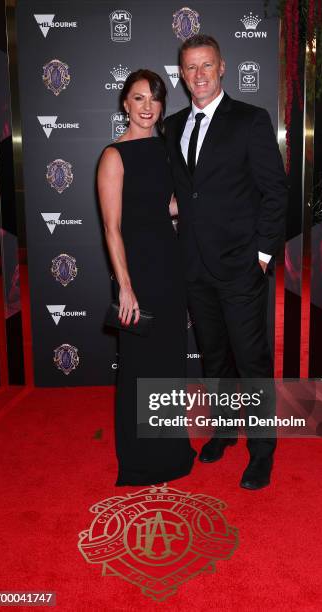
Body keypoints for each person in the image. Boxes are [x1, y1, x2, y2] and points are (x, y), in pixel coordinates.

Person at [164, 35, 288, 490]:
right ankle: (224, 429)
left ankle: (262, 451)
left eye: (206, 66)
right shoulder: (173, 125)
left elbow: (275, 191)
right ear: (182, 74)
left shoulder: (251, 121)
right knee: (214, 360)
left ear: (222, 69)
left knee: (252, 363)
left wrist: (259, 256)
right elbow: (182, 192)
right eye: (189, 68)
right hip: (194, 266)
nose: (198, 75)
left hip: (240, 267)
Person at [97, 69, 196, 486]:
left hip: (169, 266)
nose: (147, 107)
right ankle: (140, 460)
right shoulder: (113, 156)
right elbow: (112, 228)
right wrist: (125, 287)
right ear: (125, 104)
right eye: (138, 98)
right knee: (139, 365)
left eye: (154, 98)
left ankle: (171, 450)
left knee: (169, 363)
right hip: (136, 271)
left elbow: (167, 207)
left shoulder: (167, 150)